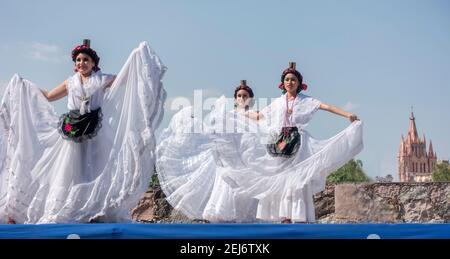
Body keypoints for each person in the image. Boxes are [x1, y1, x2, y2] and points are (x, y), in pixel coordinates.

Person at [0, 39, 166, 223]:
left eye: (85, 59)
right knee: (69, 172)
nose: (81, 63)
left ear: (93, 62)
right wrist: (24, 86)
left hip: (95, 132)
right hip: (72, 131)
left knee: (95, 170)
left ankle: (94, 210)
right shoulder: (70, 83)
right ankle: (67, 210)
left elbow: (124, 79)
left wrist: (137, 56)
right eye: (78, 60)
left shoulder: (103, 79)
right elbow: (48, 96)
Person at [156, 80, 259, 222]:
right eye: (239, 95)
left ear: (250, 99)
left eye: (245, 96)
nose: (242, 98)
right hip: (229, 157)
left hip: (247, 156)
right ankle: (224, 214)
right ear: (235, 99)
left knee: (246, 188)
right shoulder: (228, 114)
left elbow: (262, 131)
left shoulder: (254, 115)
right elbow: (216, 132)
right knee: (227, 184)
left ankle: (244, 216)